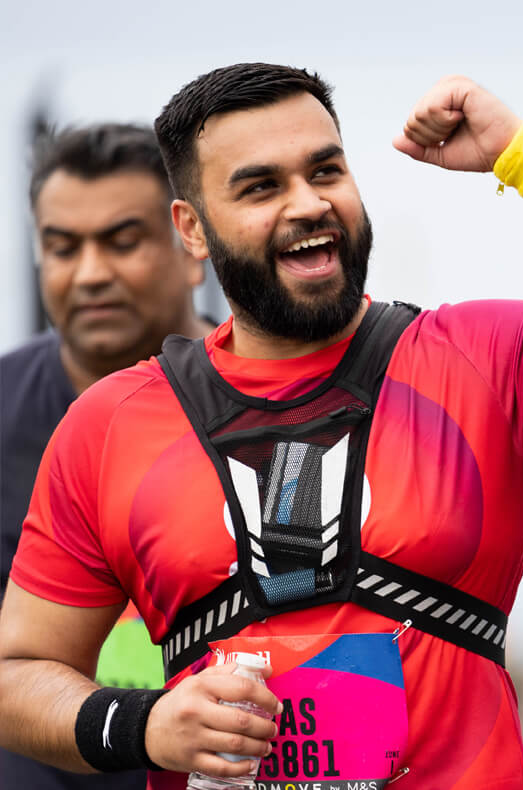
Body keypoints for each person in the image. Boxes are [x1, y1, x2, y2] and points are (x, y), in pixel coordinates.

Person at [0, 64, 523, 789]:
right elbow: (17, 674)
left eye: (325, 171)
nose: (307, 203)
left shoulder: (482, 359)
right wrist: (143, 724)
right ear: (192, 231)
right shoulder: (109, 425)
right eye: (261, 186)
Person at [0, 122, 215, 790]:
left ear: (191, 243)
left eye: (123, 242)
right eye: (62, 247)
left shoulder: (277, 404)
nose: (90, 273)